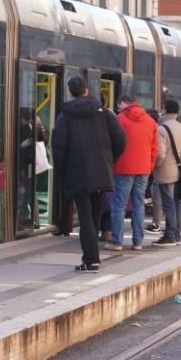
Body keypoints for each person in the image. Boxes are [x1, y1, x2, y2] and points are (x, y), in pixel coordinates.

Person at [51, 77, 126, 272]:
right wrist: (108, 161)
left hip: (77, 172)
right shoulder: (105, 113)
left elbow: (58, 147)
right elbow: (120, 140)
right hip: (101, 170)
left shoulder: (65, 116)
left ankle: (91, 259)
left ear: (71, 93)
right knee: (93, 212)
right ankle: (93, 258)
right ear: (86, 90)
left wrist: (62, 171)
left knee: (85, 217)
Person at [106, 96, 157, 252]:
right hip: (143, 168)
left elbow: (112, 144)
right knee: (139, 204)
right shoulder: (150, 121)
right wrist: (149, 167)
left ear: (123, 105)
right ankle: (137, 242)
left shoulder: (119, 119)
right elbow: (155, 149)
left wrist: (112, 164)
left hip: (123, 168)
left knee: (118, 205)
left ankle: (117, 242)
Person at [152, 100, 181, 247]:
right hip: (177, 171)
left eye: (162, 108)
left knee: (168, 203)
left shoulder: (161, 129)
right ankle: (177, 235)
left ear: (164, 110)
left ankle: (169, 236)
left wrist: (154, 166)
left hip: (164, 172)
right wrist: (177, 163)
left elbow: (160, 154)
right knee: (176, 203)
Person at [144, 108, 163, 233]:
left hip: (151, 164)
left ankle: (152, 212)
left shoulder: (154, 129)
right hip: (152, 164)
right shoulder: (159, 128)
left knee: (149, 190)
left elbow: (158, 151)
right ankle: (150, 208)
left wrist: (154, 163)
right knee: (149, 189)